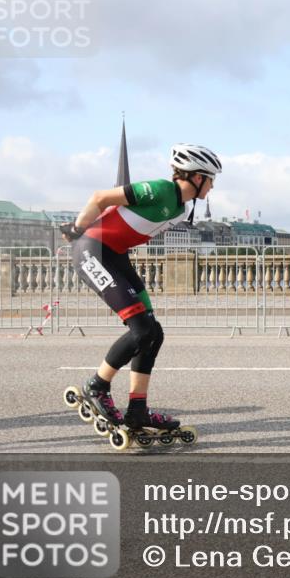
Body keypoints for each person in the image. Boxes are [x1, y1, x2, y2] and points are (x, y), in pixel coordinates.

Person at [61, 144, 221, 445]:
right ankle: (96, 386)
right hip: (92, 250)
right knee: (141, 329)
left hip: (116, 256)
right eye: (211, 179)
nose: (212, 186)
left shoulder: (181, 209)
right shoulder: (160, 190)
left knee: (153, 332)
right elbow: (100, 198)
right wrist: (77, 227)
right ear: (197, 177)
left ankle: (137, 409)